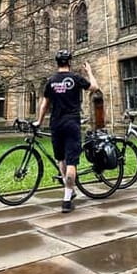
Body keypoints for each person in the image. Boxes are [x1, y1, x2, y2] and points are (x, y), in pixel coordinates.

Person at [34, 49, 98, 213]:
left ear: (57, 63)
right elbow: (94, 88)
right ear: (69, 62)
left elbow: (44, 104)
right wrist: (89, 72)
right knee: (71, 162)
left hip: (56, 123)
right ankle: (67, 199)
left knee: (61, 159)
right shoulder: (75, 78)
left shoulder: (51, 81)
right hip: (72, 123)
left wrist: (39, 121)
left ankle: (69, 189)